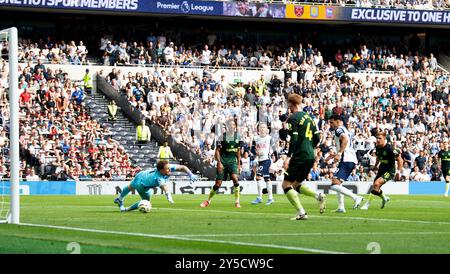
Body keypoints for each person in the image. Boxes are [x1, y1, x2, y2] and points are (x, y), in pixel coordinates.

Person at [282, 94, 326, 220]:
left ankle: (301, 213)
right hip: (310, 155)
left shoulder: (293, 118)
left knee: (286, 185)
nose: (288, 107)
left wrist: (288, 157)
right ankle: (318, 196)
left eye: (288, 105)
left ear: (292, 104)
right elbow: (318, 138)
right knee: (296, 184)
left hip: (299, 154)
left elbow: (294, 139)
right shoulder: (310, 118)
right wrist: (310, 147)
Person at [114, 160, 197, 212]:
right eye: (167, 169)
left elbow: (182, 167)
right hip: (142, 185)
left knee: (130, 187)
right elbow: (164, 186)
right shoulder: (158, 178)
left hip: (141, 174)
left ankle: (120, 199)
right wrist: (168, 194)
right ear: (161, 170)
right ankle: (126, 209)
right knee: (146, 203)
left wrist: (191, 174)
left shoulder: (166, 168)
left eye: (169, 167)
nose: (170, 169)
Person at [326, 114, 364, 213]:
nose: (330, 124)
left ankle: (356, 198)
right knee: (338, 184)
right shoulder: (345, 130)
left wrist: (339, 153)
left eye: (331, 122)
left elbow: (345, 140)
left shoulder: (339, 130)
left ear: (338, 121)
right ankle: (341, 207)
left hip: (346, 159)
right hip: (349, 159)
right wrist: (335, 155)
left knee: (334, 184)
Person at [200, 119, 242, 208]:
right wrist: (219, 163)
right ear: (227, 126)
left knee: (235, 178)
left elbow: (238, 151)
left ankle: (237, 202)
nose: (232, 126)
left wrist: (238, 164)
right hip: (223, 162)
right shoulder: (222, 137)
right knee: (218, 184)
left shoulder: (238, 137)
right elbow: (217, 151)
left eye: (233, 125)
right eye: (230, 125)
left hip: (232, 163)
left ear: (235, 126)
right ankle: (208, 201)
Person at [361, 131, 403, 210]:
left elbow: (400, 160)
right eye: (377, 138)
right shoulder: (377, 147)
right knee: (376, 187)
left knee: (376, 184)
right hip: (381, 169)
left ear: (384, 139)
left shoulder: (390, 149)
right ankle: (384, 198)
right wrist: (375, 166)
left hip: (389, 171)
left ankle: (367, 204)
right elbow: (378, 157)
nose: (378, 140)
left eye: (380, 138)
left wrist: (399, 172)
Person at [251, 123, 274, 205]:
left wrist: (270, 153)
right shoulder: (255, 138)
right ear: (258, 129)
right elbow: (252, 149)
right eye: (261, 127)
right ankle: (270, 198)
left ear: (267, 129)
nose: (262, 129)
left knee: (258, 177)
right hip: (259, 160)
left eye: (264, 127)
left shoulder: (269, 138)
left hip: (266, 160)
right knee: (267, 178)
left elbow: (273, 149)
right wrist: (256, 152)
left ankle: (260, 197)